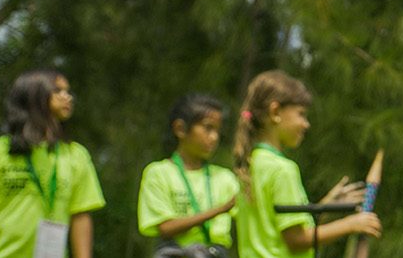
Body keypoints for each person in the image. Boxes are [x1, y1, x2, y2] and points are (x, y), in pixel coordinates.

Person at [0, 70, 106, 258]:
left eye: (68, 92)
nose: (67, 97)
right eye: (57, 91)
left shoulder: (76, 156)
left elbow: (80, 216)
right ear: (34, 96)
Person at [232, 70, 381, 258]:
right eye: (301, 114)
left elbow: (275, 231)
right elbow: (296, 240)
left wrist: (324, 206)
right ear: (275, 111)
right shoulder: (282, 169)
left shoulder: (250, 164)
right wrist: (352, 224)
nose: (306, 124)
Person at [138, 94, 240, 256]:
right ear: (180, 129)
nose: (214, 137)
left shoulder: (225, 177)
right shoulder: (158, 173)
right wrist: (222, 209)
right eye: (208, 128)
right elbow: (165, 228)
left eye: (218, 131)